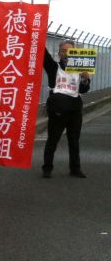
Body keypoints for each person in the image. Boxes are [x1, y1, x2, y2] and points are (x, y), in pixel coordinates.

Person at [41, 40, 91, 178]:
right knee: (53, 139)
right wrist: (36, 33)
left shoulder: (80, 69)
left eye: (70, 51)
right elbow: (43, 54)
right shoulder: (53, 67)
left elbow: (84, 90)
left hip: (75, 108)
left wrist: (85, 79)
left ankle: (75, 169)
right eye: (63, 51)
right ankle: (47, 168)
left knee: (74, 140)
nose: (67, 54)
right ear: (59, 53)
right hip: (58, 107)